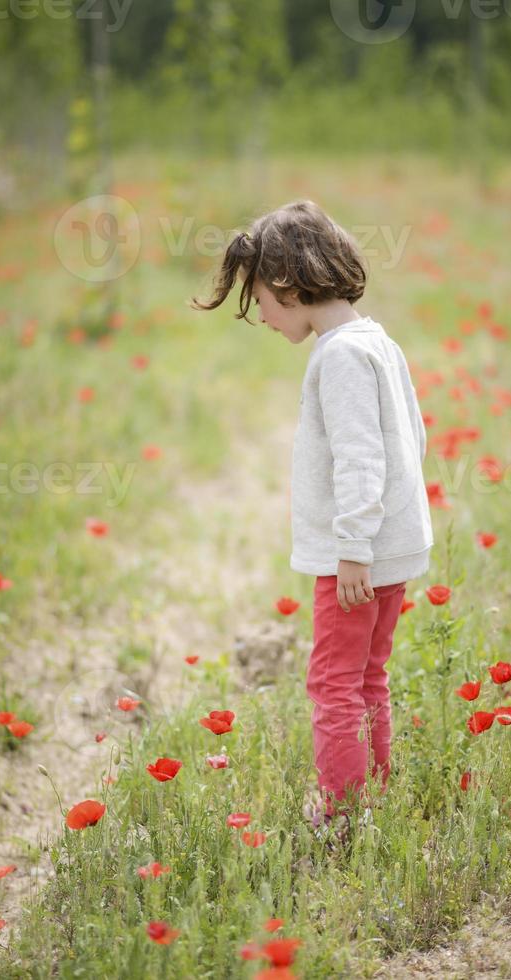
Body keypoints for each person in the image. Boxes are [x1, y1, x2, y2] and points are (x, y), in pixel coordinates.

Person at [190, 200, 434, 836]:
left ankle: (343, 813)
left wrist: (354, 545)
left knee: (332, 684)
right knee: (367, 678)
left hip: (356, 559)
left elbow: (360, 458)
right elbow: (411, 442)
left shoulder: (340, 357)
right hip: (388, 549)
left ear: (288, 285)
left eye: (261, 303)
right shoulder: (376, 340)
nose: (263, 318)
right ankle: (372, 797)